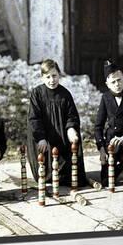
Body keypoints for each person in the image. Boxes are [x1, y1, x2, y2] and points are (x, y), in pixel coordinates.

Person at [26, 59, 88, 187]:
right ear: (42, 78)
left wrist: (71, 128)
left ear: (59, 75)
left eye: (54, 76)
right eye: (48, 77)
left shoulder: (65, 94)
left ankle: (64, 174)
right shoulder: (37, 93)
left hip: (61, 134)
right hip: (44, 136)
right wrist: (41, 138)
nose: (51, 80)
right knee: (44, 171)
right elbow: (34, 118)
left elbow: (72, 115)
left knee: (70, 171)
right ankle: (48, 173)